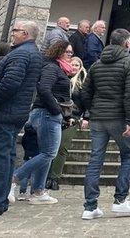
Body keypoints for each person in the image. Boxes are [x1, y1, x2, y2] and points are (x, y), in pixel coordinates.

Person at [80, 28, 130, 219]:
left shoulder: (97, 64)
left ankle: (90, 206)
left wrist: (91, 110)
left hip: (98, 117)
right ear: (127, 43)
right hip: (119, 117)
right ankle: (120, 200)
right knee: (128, 155)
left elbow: (85, 92)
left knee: (95, 159)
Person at [0, 21, 43, 215]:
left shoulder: (21, 54)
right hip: (14, 114)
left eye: (15, 30)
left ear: (25, 33)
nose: (12, 33)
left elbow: (9, 84)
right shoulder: (31, 52)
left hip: (2, 114)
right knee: (7, 158)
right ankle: (0, 200)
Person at [9, 40, 71, 206]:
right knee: (49, 153)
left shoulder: (57, 68)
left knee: (45, 153)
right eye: (68, 52)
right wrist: (56, 109)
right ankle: (14, 178)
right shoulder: (52, 68)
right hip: (47, 114)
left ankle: (38, 191)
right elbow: (44, 88)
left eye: (71, 53)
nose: (70, 55)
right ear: (59, 52)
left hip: (46, 114)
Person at [47, 49, 85, 190]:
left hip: (73, 117)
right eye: (72, 64)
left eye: (77, 65)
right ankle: (46, 176)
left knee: (62, 147)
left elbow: (86, 101)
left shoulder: (82, 83)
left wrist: (85, 117)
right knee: (51, 147)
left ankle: (54, 177)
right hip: (57, 114)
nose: (74, 67)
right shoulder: (61, 77)